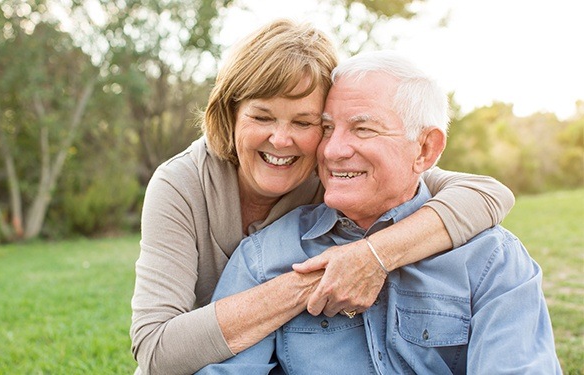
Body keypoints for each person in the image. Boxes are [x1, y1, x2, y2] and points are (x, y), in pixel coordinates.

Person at [130, 19, 516, 374]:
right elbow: (155, 351)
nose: (281, 140)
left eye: (305, 122)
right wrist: (317, 279)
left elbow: (486, 193)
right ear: (230, 115)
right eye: (262, 117)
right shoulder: (182, 183)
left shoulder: (334, 169)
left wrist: (372, 256)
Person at [196, 50, 561, 374]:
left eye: (363, 128)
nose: (332, 150)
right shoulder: (263, 258)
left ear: (425, 150)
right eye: (326, 128)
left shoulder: (491, 261)